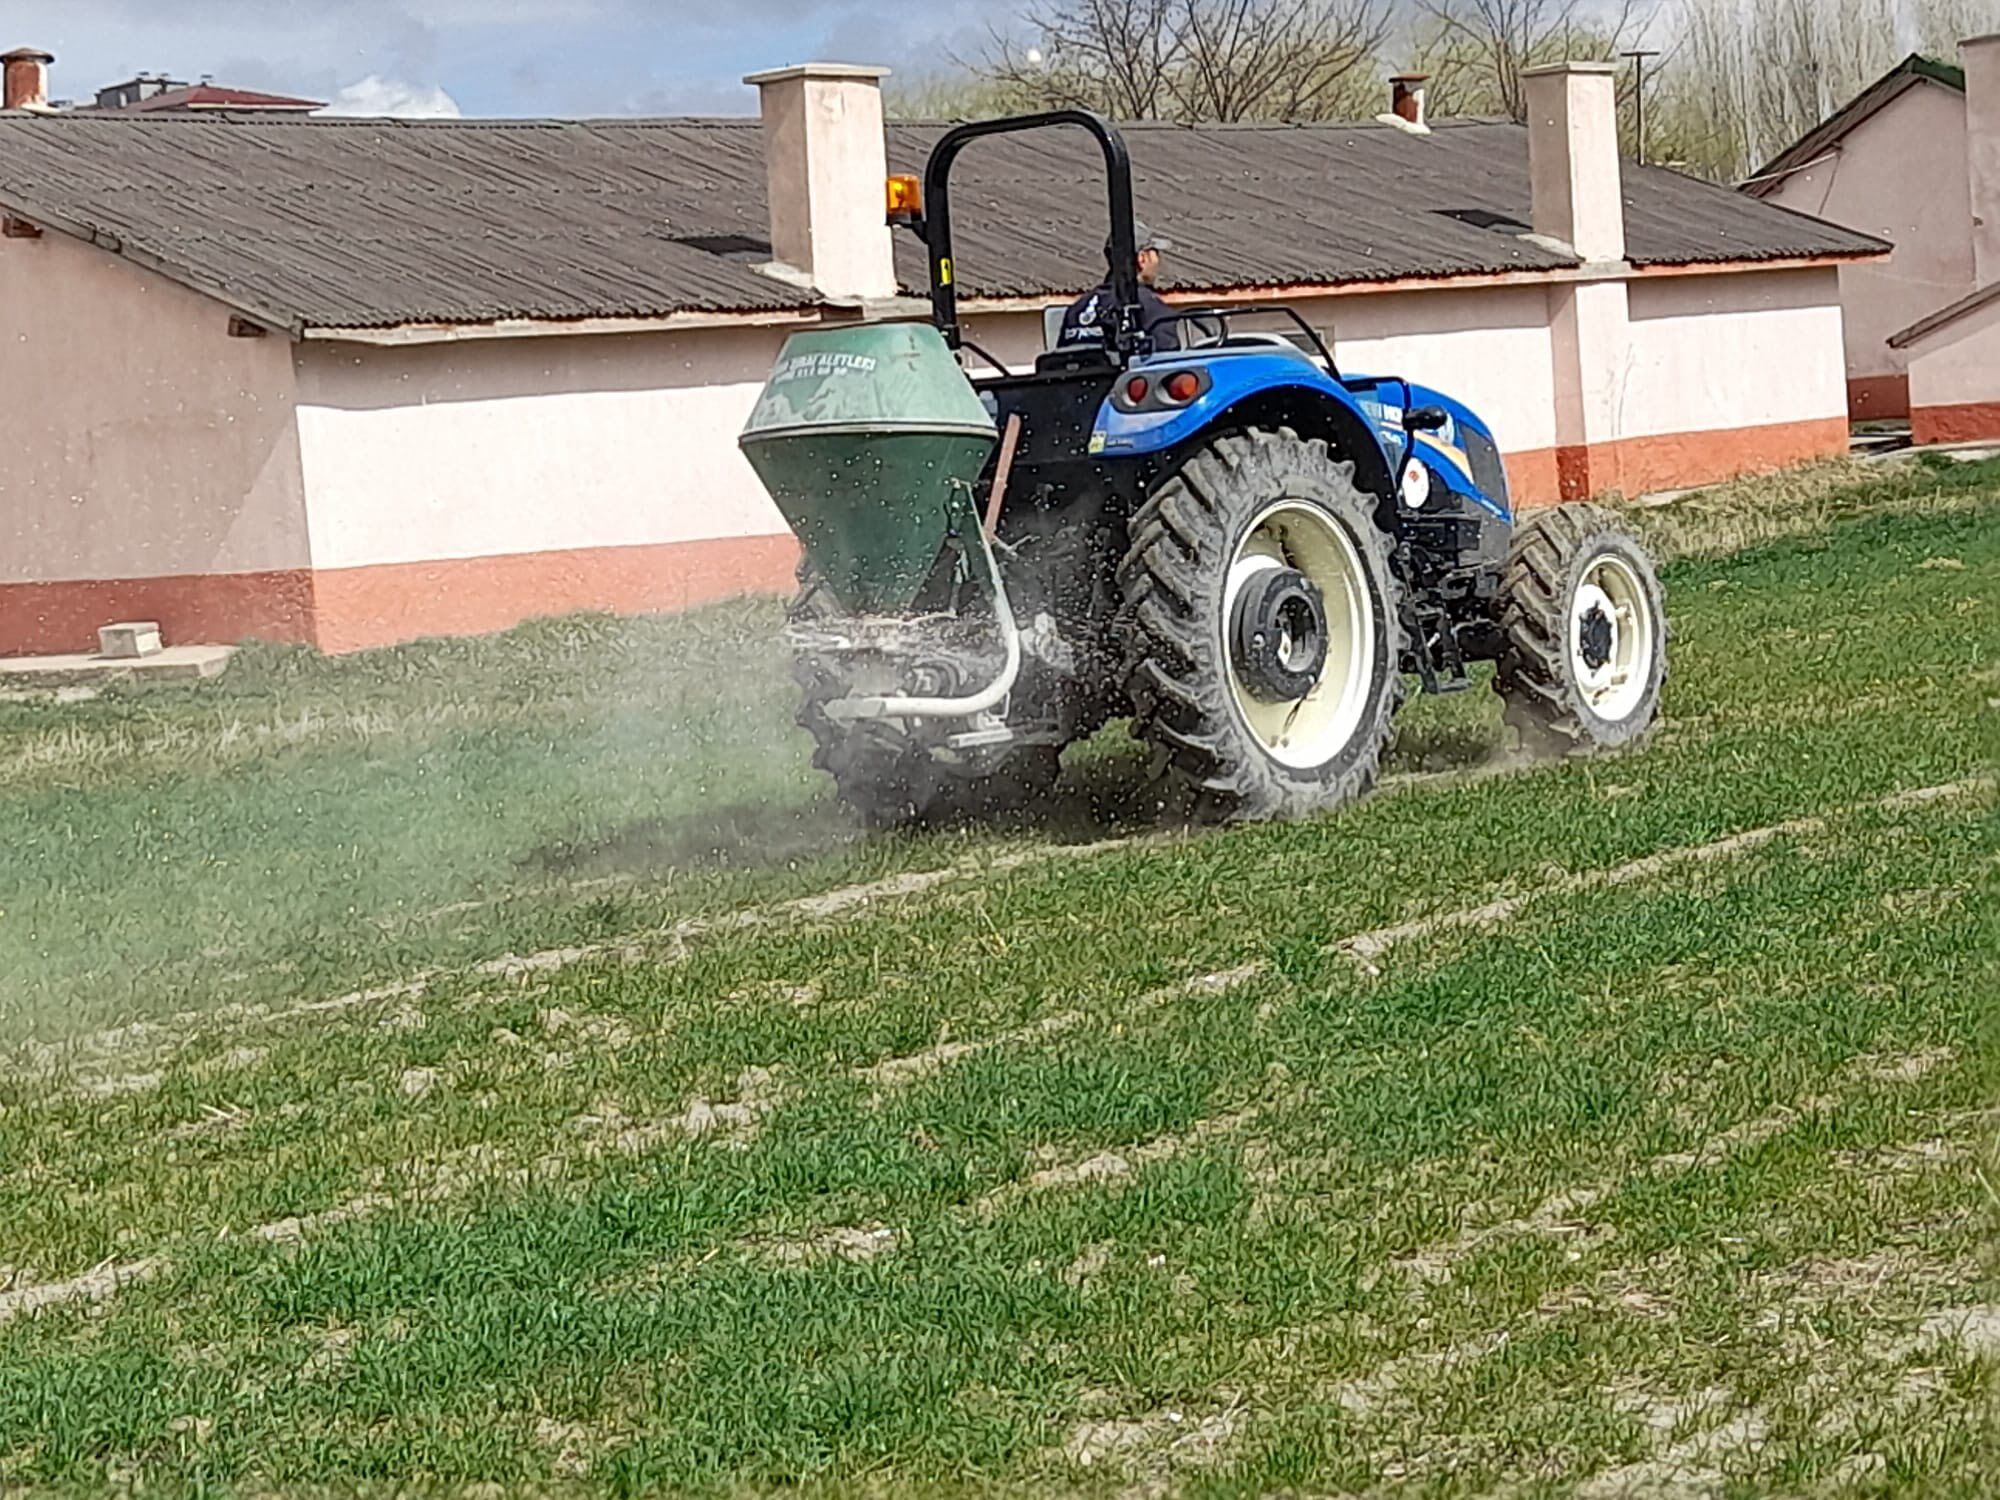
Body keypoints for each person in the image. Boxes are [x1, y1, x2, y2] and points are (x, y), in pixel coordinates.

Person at [1056, 220, 1181, 354]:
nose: (1158, 261)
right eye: (1155, 253)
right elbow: (1168, 359)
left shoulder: (1077, 309)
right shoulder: (1153, 310)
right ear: (1142, 259)